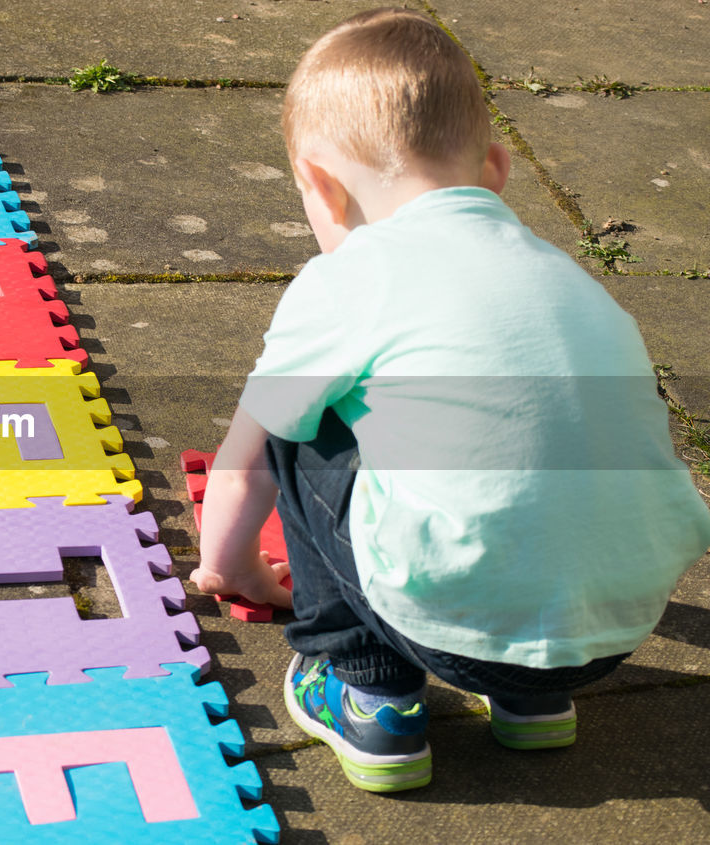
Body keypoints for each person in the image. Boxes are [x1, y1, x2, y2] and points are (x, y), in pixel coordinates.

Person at [189, 7, 710, 793]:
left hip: (452, 621)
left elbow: (245, 463)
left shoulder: (349, 277)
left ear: (322, 187)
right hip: (613, 628)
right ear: (497, 167)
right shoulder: (568, 281)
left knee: (297, 420)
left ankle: (370, 692)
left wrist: (233, 572)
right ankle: (531, 699)